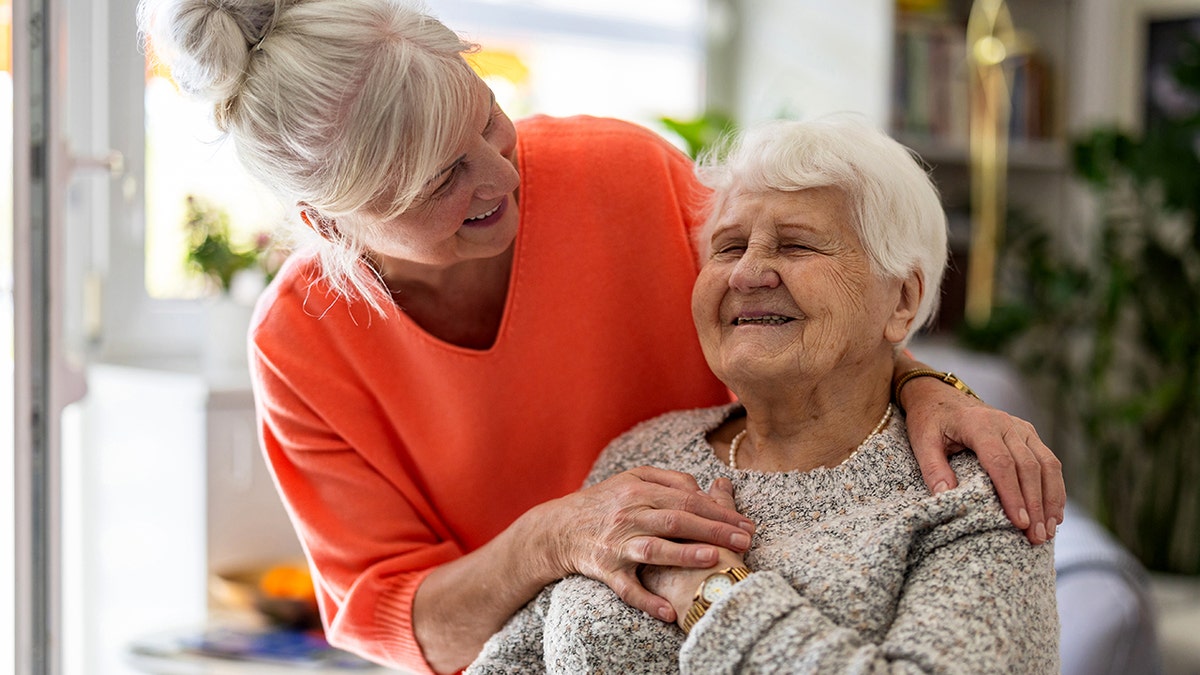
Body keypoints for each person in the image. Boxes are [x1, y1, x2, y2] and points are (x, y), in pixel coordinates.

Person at [137, 1, 1065, 672]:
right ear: (334, 224)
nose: (497, 172)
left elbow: (804, 296)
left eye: (488, 122)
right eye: (439, 181)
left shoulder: (615, 174)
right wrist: (556, 538)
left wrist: (925, 386)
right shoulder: (301, 346)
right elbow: (394, 615)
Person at [468, 115, 1060, 674]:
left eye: (798, 245)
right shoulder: (645, 454)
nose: (748, 274)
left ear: (901, 300)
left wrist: (710, 592)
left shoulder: (975, 494)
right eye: (728, 247)